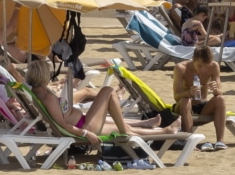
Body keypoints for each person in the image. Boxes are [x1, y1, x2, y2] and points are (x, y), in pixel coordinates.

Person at [29, 59, 173, 148]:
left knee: (121, 126)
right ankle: (133, 130)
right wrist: (86, 134)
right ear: (43, 75)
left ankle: (163, 131)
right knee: (108, 91)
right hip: (84, 127)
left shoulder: (39, 92)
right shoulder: (47, 97)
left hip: (83, 122)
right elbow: (63, 124)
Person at [173, 46, 228, 151]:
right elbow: (177, 96)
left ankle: (220, 141)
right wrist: (189, 92)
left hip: (202, 106)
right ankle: (189, 141)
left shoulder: (213, 66)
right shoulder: (181, 68)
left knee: (220, 99)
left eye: (206, 66)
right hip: (184, 106)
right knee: (185, 100)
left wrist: (215, 89)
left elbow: (220, 92)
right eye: (200, 66)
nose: (203, 69)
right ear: (193, 59)